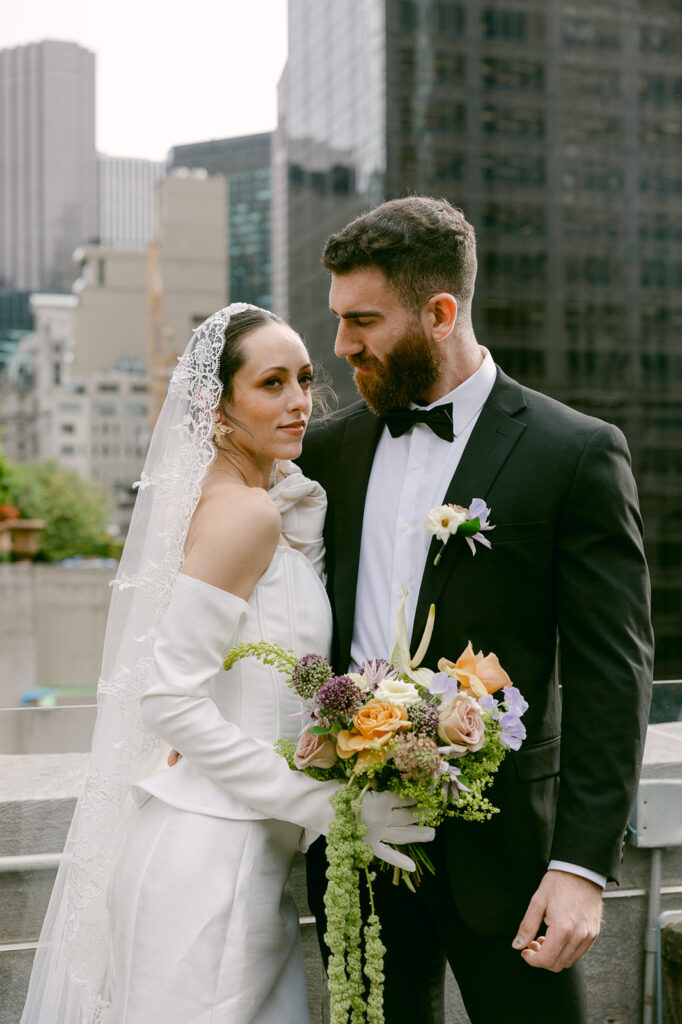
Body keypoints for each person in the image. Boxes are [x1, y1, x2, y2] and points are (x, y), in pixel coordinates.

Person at [20, 303, 431, 1024]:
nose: (301, 400)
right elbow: (168, 701)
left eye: (305, 379)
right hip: (214, 866)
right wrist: (333, 809)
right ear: (218, 407)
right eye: (271, 383)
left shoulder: (243, 501)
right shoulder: (246, 515)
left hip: (230, 855)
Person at [299, 197, 654, 1024]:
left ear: (440, 312)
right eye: (339, 320)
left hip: (514, 859)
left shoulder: (575, 453)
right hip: (354, 850)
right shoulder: (328, 451)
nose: (342, 344)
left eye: (362, 321)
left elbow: (614, 671)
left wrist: (582, 866)